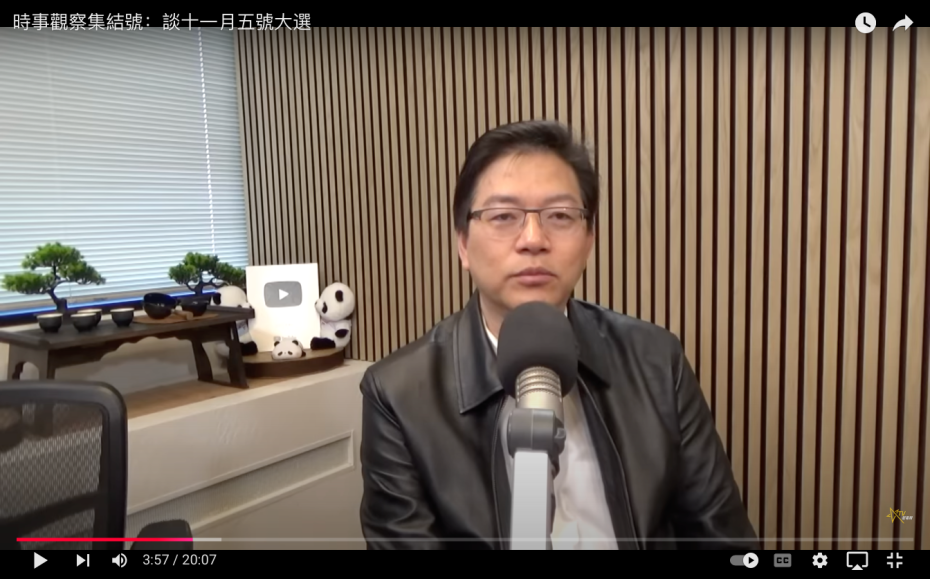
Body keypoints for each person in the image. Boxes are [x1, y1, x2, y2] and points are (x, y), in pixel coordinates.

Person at [358, 120, 758, 550]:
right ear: (462, 244)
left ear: (589, 240)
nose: (533, 239)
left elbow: (721, 537)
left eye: (560, 216)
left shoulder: (657, 360)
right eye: (504, 216)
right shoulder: (397, 394)